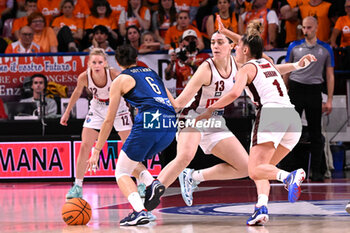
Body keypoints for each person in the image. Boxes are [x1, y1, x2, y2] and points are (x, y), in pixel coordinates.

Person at [196, 24, 316, 226]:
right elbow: (271, 62)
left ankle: (288, 176)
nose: (234, 48)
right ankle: (261, 207)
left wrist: (209, 110)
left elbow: (234, 94)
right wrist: (296, 66)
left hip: (272, 115)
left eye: (236, 46)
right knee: (262, 168)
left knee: (254, 170)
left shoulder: (246, 68)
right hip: (291, 119)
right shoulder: (267, 62)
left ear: (244, 50)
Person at [144, 20, 252, 211]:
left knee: (245, 167)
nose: (215, 46)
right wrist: (157, 85)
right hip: (191, 117)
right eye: (212, 43)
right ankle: (151, 195)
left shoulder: (239, 64)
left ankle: (194, 177)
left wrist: (227, 31)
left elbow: (260, 53)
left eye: (220, 42)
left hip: (215, 120)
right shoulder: (205, 68)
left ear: (232, 46)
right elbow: (178, 103)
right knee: (185, 155)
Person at [86, 44, 177, 226]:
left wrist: (96, 149)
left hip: (150, 120)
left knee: (121, 171)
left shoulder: (120, 80)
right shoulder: (151, 72)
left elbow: (108, 120)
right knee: (132, 160)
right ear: (136, 58)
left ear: (117, 62)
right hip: (170, 124)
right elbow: (174, 103)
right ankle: (152, 183)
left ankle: (139, 211)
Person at [61, 48, 133, 200]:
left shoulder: (114, 74)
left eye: (100, 62)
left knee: (130, 145)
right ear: (89, 64)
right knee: (85, 145)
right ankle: (77, 185)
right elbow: (76, 93)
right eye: (94, 62)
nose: (97, 65)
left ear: (106, 63)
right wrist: (67, 112)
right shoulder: (84, 77)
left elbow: (130, 90)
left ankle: (139, 183)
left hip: (118, 107)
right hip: (97, 107)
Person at [284, 16, 334, 181]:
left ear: (316, 27)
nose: (306, 31)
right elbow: (287, 70)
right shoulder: (294, 46)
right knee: (291, 131)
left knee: (315, 132)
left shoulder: (325, 49)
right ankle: (289, 169)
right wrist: (284, 94)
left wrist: (329, 100)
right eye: (304, 28)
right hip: (296, 89)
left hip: (314, 90)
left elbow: (329, 75)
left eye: (309, 28)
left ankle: (316, 171)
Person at [165, 29, 210, 96]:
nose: (190, 41)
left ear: (197, 41)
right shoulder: (178, 57)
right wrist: (171, 63)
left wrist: (189, 62)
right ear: (182, 42)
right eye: (187, 40)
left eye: (192, 39)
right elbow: (167, 77)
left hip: (200, 97)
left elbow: (207, 76)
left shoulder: (205, 57)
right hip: (182, 97)